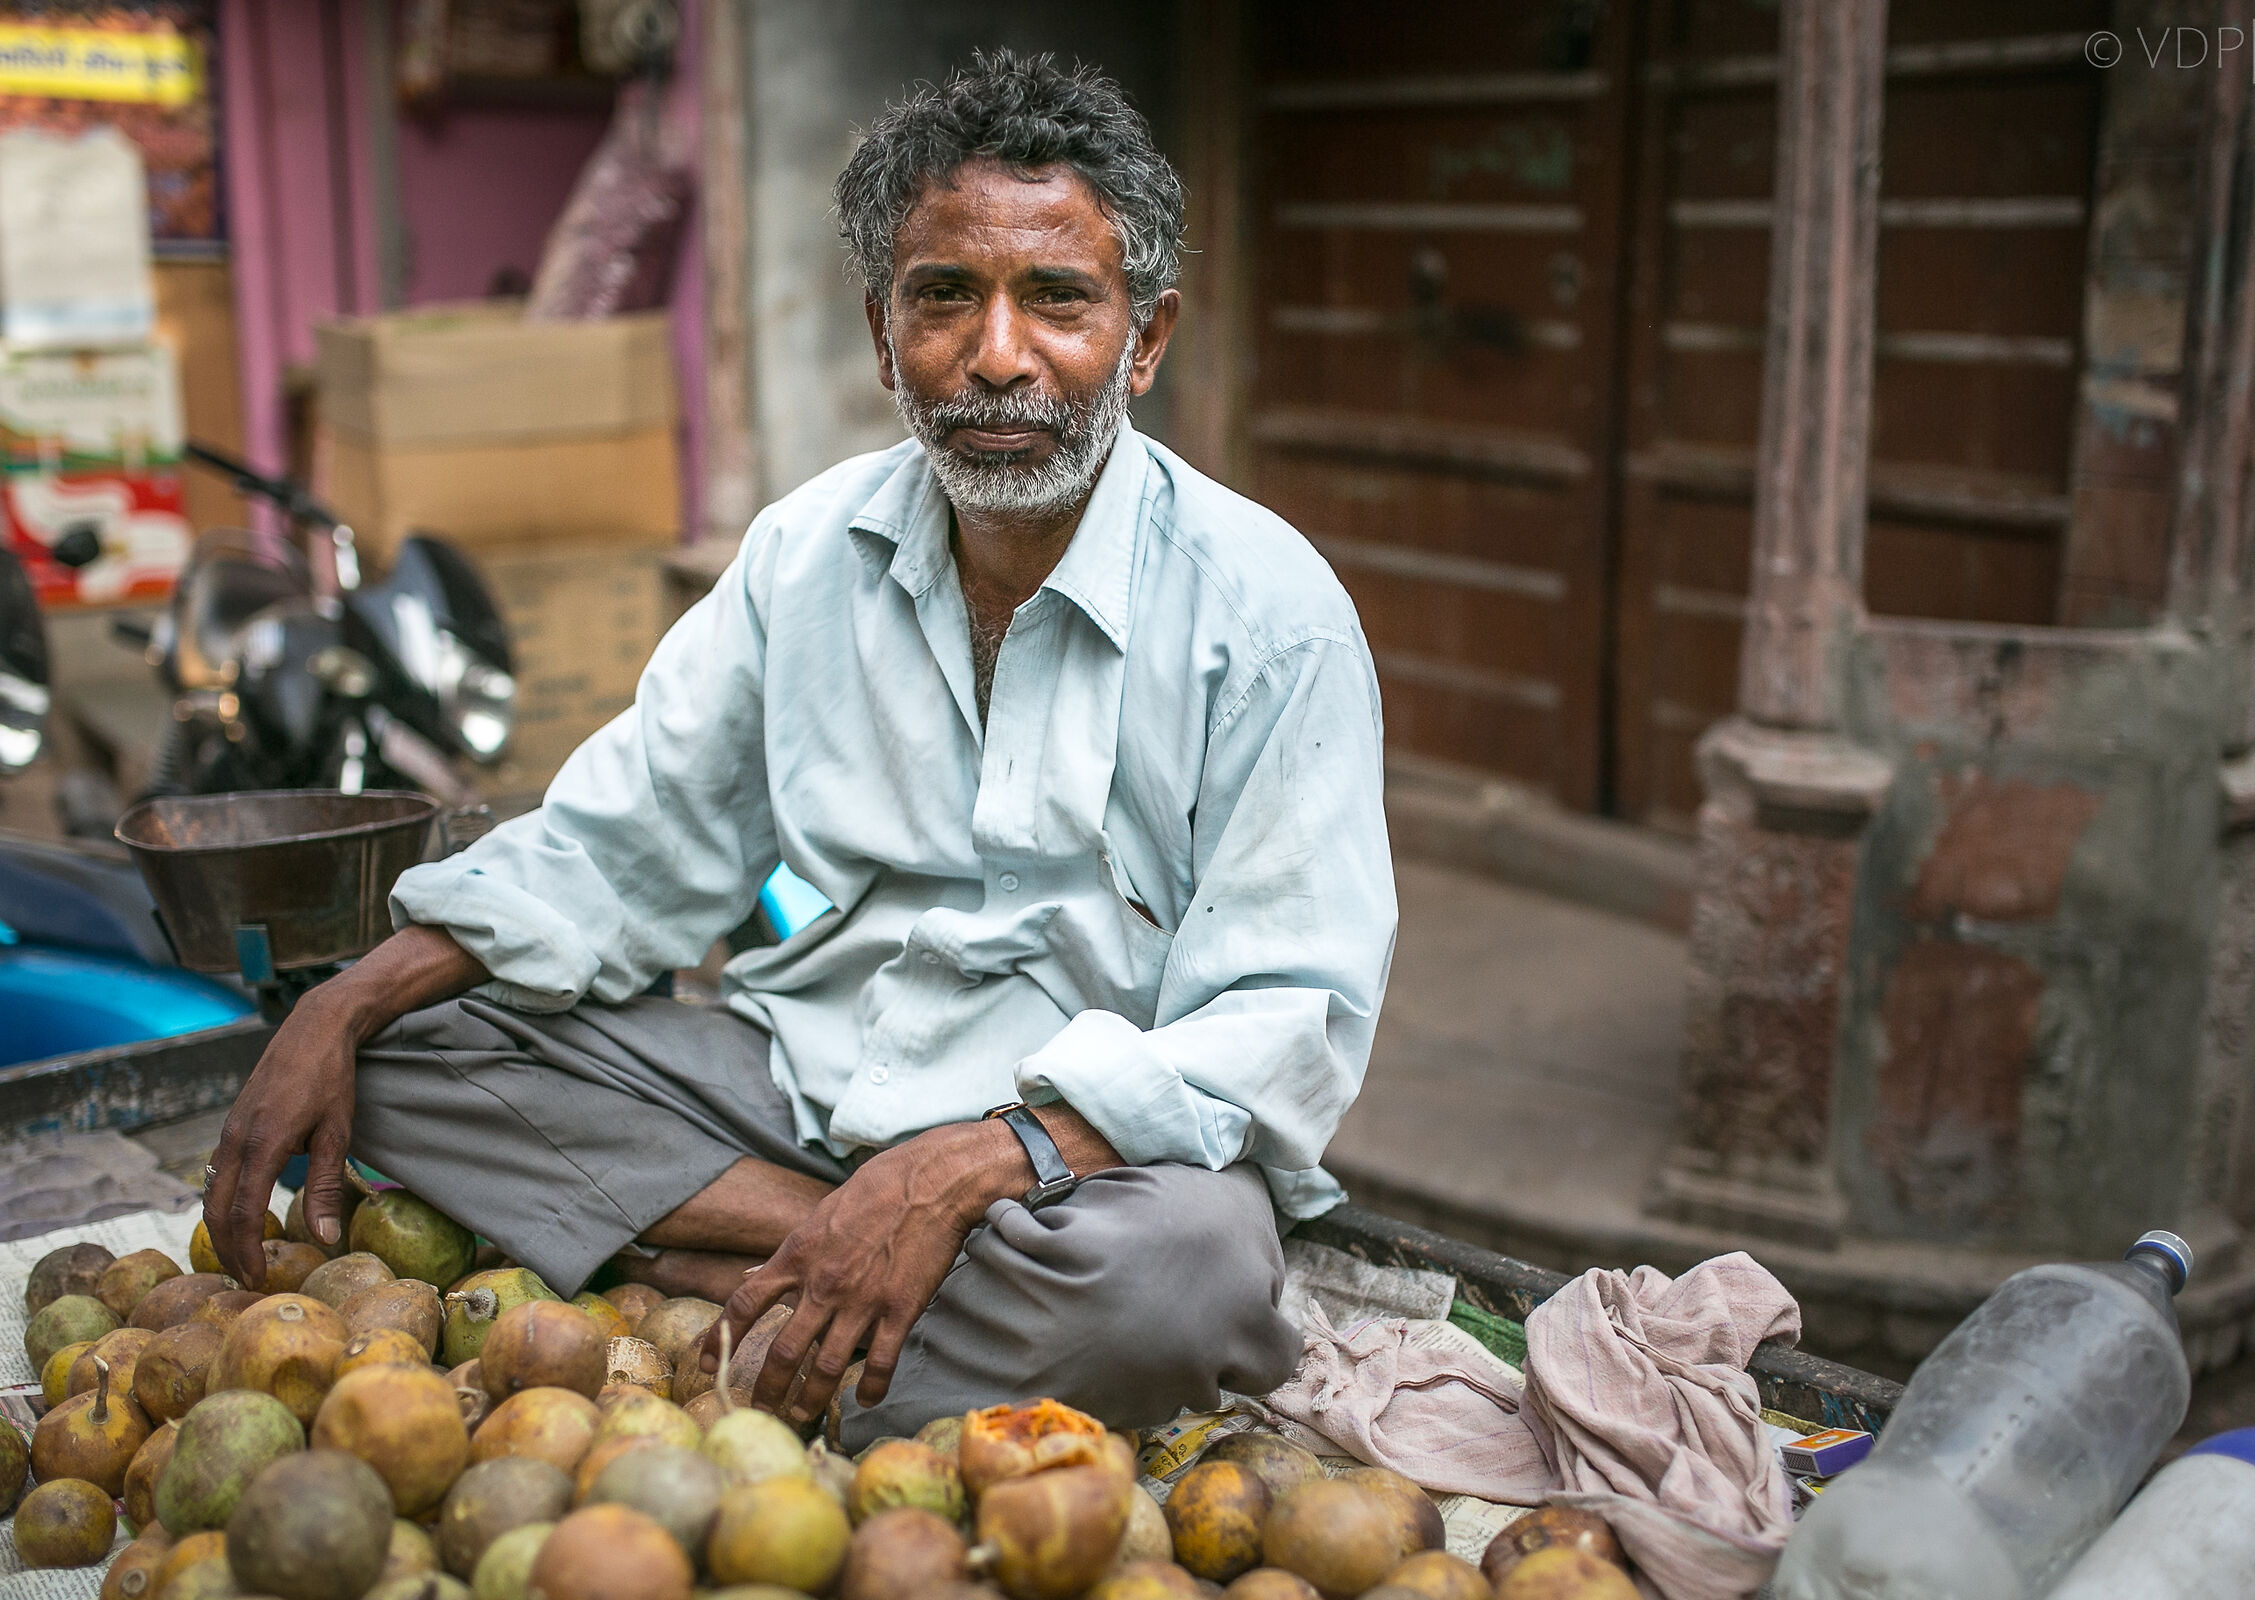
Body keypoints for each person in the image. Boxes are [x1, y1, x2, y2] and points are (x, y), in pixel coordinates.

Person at [199, 49, 1395, 1448]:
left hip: (1071, 1167)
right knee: (410, 1051)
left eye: (1058, 298)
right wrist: (341, 1004)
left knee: (1191, 1276)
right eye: (943, 296)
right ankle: (835, 1263)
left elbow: (1288, 1016)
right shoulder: (805, 554)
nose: (998, 355)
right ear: (885, 337)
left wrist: (973, 1167)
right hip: (813, 1080)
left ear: (1144, 338)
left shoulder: (1269, 615)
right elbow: (629, 840)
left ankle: (714, 1272)